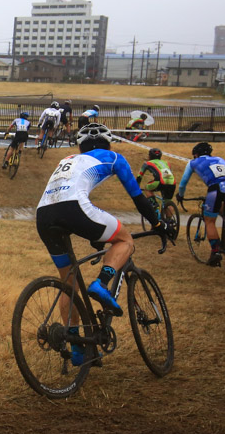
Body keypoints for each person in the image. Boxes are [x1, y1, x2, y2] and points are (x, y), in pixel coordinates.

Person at [35, 124, 160, 364]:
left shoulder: (68, 159)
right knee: (124, 239)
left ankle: (77, 347)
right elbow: (139, 199)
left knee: (69, 284)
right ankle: (102, 283)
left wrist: (93, 234)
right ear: (108, 143)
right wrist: (159, 224)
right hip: (73, 207)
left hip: (43, 213)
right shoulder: (114, 157)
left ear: (80, 146)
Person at [176, 142, 225, 266]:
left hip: (216, 188)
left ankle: (215, 252)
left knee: (209, 220)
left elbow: (183, 183)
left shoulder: (192, 163)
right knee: (221, 202)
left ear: (196, 154)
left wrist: (181, 195)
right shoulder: (219, 159)